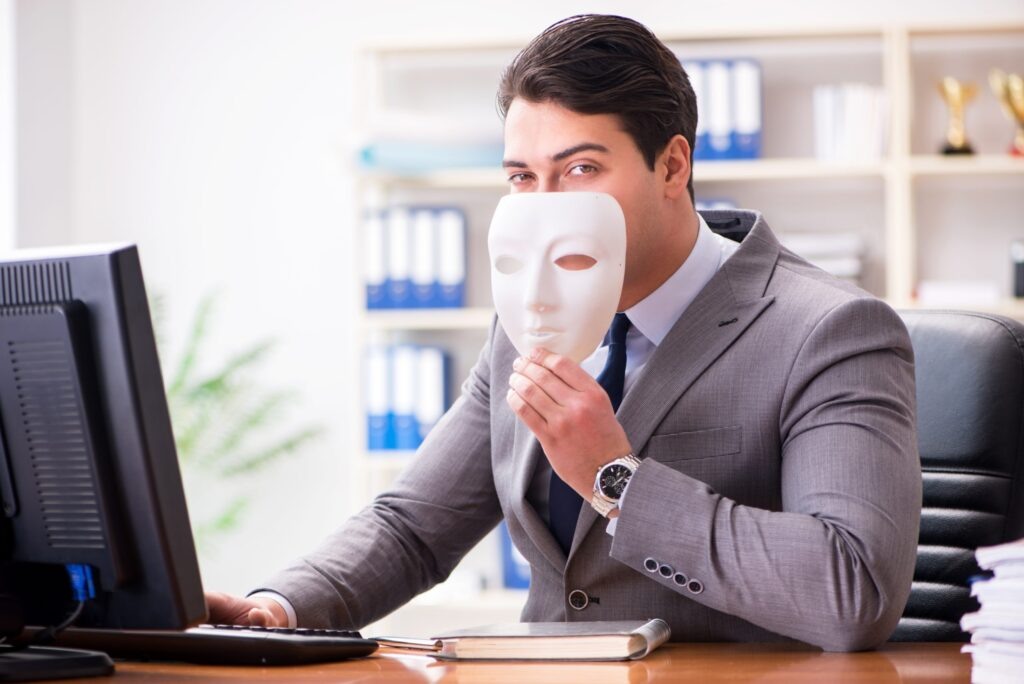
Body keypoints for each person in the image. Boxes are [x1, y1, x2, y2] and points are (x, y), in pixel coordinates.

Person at [207, 14, 921, 652]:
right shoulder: (524, 324)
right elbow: (415, 527)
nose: (545, 207)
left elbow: (852, 591)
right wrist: (276, 610)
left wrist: (616, 479)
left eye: (580, 169)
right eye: (523, 177)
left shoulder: (829, 330)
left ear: (672, 166)